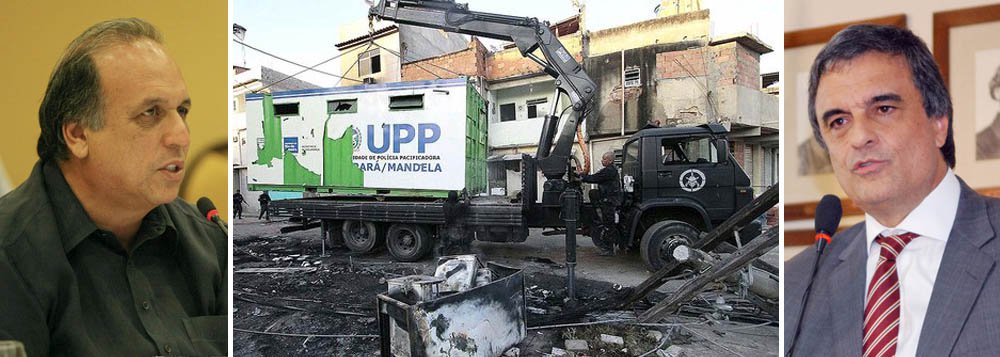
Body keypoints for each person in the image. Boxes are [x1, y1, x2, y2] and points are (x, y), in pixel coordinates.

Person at [0, 19, 226, 356]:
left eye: (182, 110)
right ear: (78, 135)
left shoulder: (210, 241)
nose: (181, 136)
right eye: (150, 113)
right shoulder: (11, 257)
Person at [784, 24, 1000, 356]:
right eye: (839, 121)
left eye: (883, 109)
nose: (860, 137)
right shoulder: (799, 283)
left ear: (938, 122)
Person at [578, 151, 623, 256]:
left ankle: (609, 249)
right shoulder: (609, 170)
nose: (602, 161)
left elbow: (595, 178)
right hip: (607, 200)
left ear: (610, 161)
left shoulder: (609, 171)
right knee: (593, 193)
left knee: (608, 225)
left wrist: (583, 177)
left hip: (609, 201)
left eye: (604, 159)